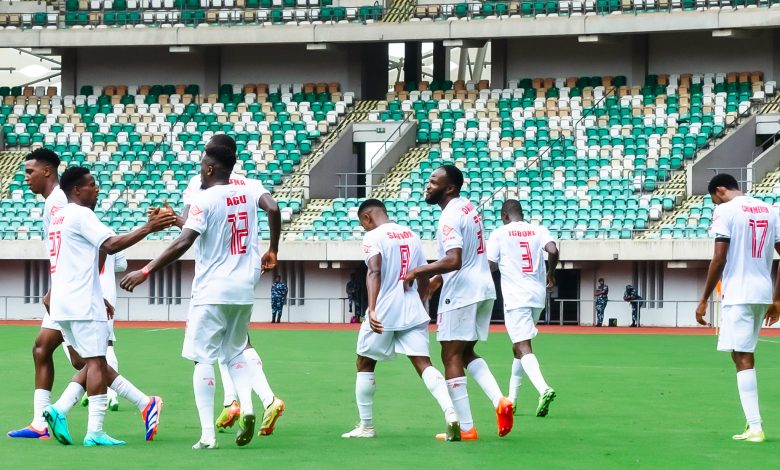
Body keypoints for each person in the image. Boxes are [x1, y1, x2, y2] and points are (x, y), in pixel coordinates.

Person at [120, 144, 284, 450]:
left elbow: (185, 241)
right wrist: (273, 248)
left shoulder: (203, 198)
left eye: (201, 166)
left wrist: (145, 271)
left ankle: (208, 436)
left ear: (209, 169)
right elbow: (273, 208)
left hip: (211, 290)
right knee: (235, 352)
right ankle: (247, 407)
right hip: (243, 289)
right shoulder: (249, 190)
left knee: (203, 359)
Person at [41, 166, 170, 446]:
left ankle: (62, 409)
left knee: (88, 362)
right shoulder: (80, 214)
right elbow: (111, 245)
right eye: (91, 184)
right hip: (81, 303)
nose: (96, 189)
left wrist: (98, 295)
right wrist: (150, 227)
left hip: (62, 303)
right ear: (76, 190)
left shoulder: (58, 217)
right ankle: (95, 431)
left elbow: (77, 262)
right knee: (98, 361)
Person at [177, 134, 283, 436]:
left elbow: (188, 229)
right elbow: (273, 208)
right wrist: (274, 248)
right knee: (234, 344)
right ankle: (241, 401)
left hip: (214, 278)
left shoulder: (201, 186)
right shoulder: (247, 184)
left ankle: (256, 400)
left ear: (209, 160)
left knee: (212, 349)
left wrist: (149, 264)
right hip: (245, 273)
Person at [405, 165, 513, 441]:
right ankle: (500, 400)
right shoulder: (467, 207)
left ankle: (466, 428)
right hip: (483, 287)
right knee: (464, 353)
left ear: (449, 188)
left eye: (433, 182)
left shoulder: (449, 216)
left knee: (449, 356)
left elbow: (454, 260)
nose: (427, 186)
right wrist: (434, 284)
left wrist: (420, 271)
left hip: (462, 293)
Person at [341, 199, 460, 441]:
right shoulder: (410, 234)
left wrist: (372, 309)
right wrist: (422, 300)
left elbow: (374, 271)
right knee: (423, 363)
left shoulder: (373, 237)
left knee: (364, 362)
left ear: (366, 219)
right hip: (412, 308)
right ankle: (451, 414)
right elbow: (423, 272)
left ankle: (366, 426)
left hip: (385, 310)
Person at [696, 173, 780, 443]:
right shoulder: (770, 210)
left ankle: (755, 426)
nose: (714, 204)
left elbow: (719, 258)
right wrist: (777, 299)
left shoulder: (725, 210)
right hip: (763, 292)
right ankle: (751, 421)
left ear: (719, 190)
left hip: (739, 293)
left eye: (712, 199)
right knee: (740, 354)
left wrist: (704, 298)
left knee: (742, 357)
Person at [8, 148, 86, 440]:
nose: (25, 177)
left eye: (30, 172)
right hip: (63, 290)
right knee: (42, 349)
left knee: (85, 361)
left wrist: (57, 289)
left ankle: (144, 401)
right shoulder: (52, 203)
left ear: (47, 172)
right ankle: (40, 423)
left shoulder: (60, 204)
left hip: (70, 293)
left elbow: (70, 250)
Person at [486, 199, 559, 418]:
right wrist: (551, 273)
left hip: (516, 297)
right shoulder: (538, 230)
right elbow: (553, 250)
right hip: (537, 296)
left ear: (505, 216)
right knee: (518, 347)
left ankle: (543, 388)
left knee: (523, 344)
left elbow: (490, 264)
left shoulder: (500, 233)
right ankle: (512, 399)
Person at [81, 251, 128, 411]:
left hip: (85, 289)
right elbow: (122, 265)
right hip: (107, 290)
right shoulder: (109, 233)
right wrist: (107, 266)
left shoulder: (77, 229)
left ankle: (105, 390)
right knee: (106, 343)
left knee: (85, 346)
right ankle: (95, 387)